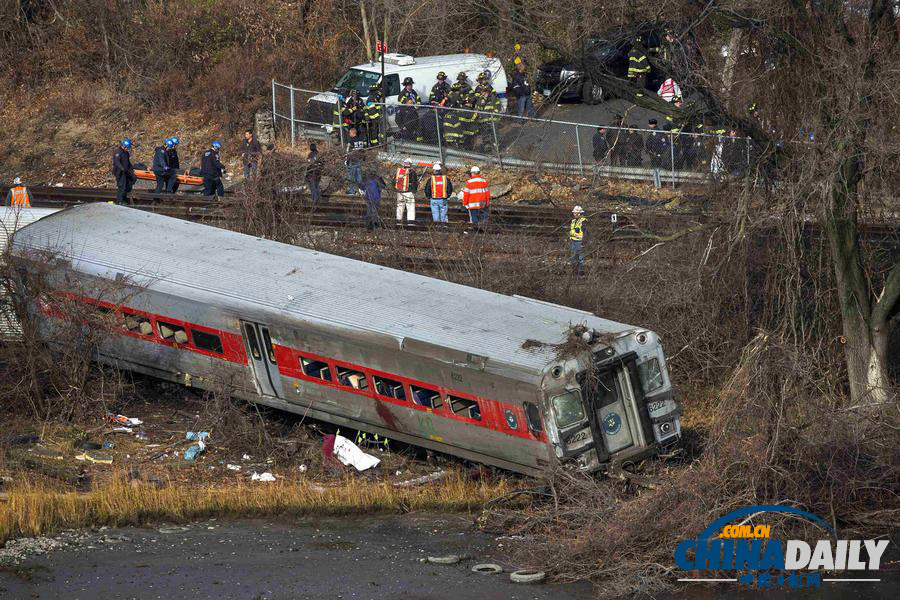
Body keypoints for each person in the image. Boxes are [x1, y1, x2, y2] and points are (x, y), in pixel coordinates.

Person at [474, 85, 502, 151]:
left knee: (494, 134)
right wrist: (480, 115)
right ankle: (487, 147)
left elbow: (498, 108)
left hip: (493, 120)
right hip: (483, 121)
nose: (483, 93)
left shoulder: (494, 99)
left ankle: (496, 147)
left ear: (488, 92)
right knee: (485, 134)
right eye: (482, 92)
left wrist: (493, 114)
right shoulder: (480, 100)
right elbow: (477, 109)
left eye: (484, 92)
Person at [112, 138, 136, 204]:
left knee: (130, 182)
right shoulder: (117, 152)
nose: (128, 149)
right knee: (121, 186)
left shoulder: (126, 153)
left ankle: (124, 199)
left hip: (125, 171)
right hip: (119, 172)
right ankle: (119, 201)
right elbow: (116, 162)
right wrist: (122, 168)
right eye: (128, 147)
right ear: (125, 146)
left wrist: (132, 168)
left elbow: (128, 162)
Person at [344, 128, 366, 194]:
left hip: (352, 161)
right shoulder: (361, 140)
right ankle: (362, 190)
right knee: (359, 176)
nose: (349, 134)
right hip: (359, 160)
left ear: (353, 133)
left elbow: (347, 151)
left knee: (351, 177)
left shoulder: (351, 141)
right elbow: (363, 150)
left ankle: (352, 191)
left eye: (350, 133)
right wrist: (363, 158)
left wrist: (346, 160)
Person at [569, 205, 586, 276]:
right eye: (574, 213)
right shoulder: (573, 221)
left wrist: (584, 242)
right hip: (573, 241)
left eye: (576, 213)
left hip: (580, 241)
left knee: (580, 257)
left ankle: (581, 272)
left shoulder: (583, 221)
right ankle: (574, 272)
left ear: (580, 213)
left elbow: (586, 232)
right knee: (573, 257)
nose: (574, 214)